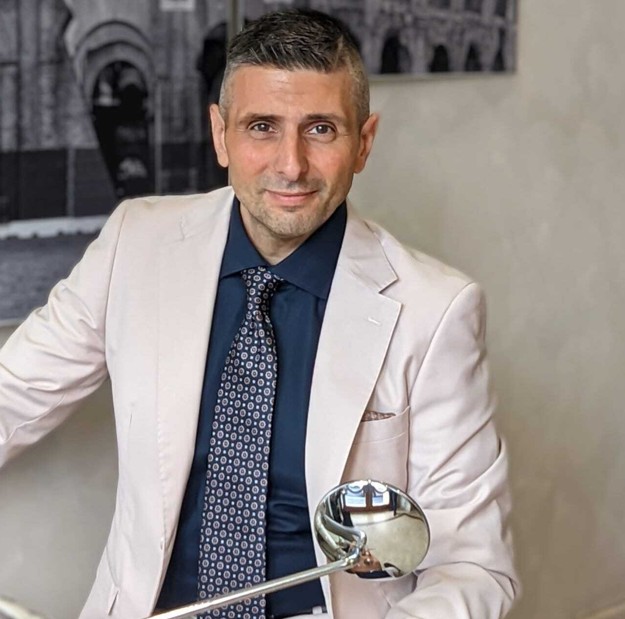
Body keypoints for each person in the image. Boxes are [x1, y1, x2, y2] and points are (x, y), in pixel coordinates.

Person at [0, 9, 519, 619]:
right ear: (221, 135)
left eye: (321, 129)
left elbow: (473, 567)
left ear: (364, 142)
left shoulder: (436, 311)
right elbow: (13, 393)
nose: (291, 165)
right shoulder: (134, 244)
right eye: (262, 127)